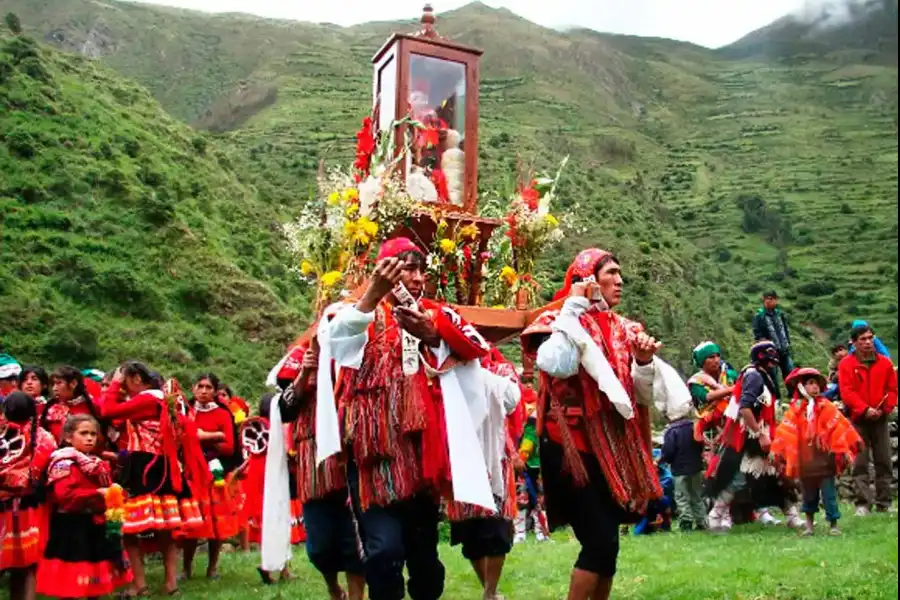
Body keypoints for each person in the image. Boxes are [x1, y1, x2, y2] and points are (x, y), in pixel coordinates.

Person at [323, 237, 493, 600]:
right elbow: (337, 346)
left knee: (424, 559)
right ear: (384, 271)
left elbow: (477, 348)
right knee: (383, 551)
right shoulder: (352, 311)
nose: (417, 277)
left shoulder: (435, 313)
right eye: (407, 268)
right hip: (372, 456)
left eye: (421, 269)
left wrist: (432, 335)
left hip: (422, 455)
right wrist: (372, 294)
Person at [521, 248, 686, 600]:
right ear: (586, 279)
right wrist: (574, 308)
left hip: (613, 449)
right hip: (572, 451)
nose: (620, 280)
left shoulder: (627, 329)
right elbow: (557, 364)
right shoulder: (557, 321)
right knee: (598, 543)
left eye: (619, 273)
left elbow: (638, 395)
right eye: (610, 272)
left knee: (608, 548)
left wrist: (643, 362)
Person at [100, 362, 206, 595]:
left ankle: (140, 584)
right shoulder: (162, 400)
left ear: (136, 378)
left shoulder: (149, 399)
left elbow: (107, 412)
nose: (123, 388)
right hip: (159, 465)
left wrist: (115, 384)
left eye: (125, 381)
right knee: (165, 530)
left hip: (143, 466)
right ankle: (170, 584)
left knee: (129, 530)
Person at [273, 340, 365, 599]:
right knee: (319, 546)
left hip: (348, 452)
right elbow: (286, 409)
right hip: (311, 459)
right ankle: (334, 588)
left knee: (353, 539)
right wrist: (305, 372)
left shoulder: (353, 350)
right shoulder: (302, 356)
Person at [446, 346, 523, 600]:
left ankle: (490, 591)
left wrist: (479, 374)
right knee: (470, 536)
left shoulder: (501, 371)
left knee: (497, 530)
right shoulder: (447, 370)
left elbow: (513, 403)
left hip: (495, 461)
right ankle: (487, 590)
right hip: (458, 459)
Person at [705, 341, 802, 532]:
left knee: (776, 475)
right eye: (770, 356)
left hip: (757, 433)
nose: (774, 362)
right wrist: (760, 434)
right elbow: (745, 407)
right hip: (751, 437)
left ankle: (792, 516)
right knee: (738, 479)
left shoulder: (758, 375)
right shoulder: (755, 376)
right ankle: (714, 517)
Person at [36, 414, 132, 598]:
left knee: (94, 577)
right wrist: (97, 493)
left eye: (93, 434)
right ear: (68, 437)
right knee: (72, 579)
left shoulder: (94, 462)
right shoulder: (63, 462)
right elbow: (64, 496)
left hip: (93, 524)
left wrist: (114, 492)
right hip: (71, 527)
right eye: (83, 433)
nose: (90, 438)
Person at [771, 367, 862, 536]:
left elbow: (839, 426)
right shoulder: (796, 410)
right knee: (808, 496)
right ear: (801, 387)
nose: (815, 387)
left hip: (825, 462)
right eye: (810, 384)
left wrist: (845, 445)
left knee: (829, 495)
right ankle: (809, 525)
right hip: (806, 464)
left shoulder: (826, 406)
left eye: (817, 384)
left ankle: (833, 524)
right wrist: (780, 450)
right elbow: (786, 431)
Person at [179, 373, 241, 581]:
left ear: (215, 391)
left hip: (215, 473)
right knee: (192, 522)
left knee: (216, 523)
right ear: (193, 388)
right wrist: (213, 436)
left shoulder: (223, 414)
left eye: (208, 387)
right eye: (200, 386)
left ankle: (212, 568)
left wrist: (204, 437)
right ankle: (186, 568)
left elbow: (229, 447)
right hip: (191, 472)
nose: (204, 391)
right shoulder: (184, 412)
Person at [239, 392, 303, 584]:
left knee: (266, 520)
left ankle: (274, 566)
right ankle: (277, 568)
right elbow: (289, 451)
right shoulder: (278, 428)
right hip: (274, 473)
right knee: (279, 518)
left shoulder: (256, 426)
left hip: (257, 474)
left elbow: (251, 452)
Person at [0, 392, 57, 600]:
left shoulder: (3, 432)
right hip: (30, 506)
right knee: (29, 562)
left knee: (9, 561)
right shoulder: (43, 438)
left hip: (6, 505)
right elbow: (37, 473)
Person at [839, 324, 898, 515]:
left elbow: (892, 390)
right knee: (860, 462)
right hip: (858, 419)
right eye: (863, 339)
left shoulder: (885, 363)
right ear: (854, 342)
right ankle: (862, 503)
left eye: (870, 338)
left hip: (880, 418)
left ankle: (885, 502)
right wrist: (864, 409)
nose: (867, 342)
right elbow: (847, 391)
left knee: (884, 461)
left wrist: (885, 408)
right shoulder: (846, 364)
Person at [661, 399, 706, 531]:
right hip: (696, 467)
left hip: (679, 469)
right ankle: (702, 521)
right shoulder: (694, 426)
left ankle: (686, 522)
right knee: (696, 495)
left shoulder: (672, 431)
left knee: (681, 497)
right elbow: (701, 444)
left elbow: (668, 451)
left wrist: (663, 460)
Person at [513, 387, 549, 544]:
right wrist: (520, 457)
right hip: (523, 465)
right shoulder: (519, 418)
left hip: (539, 464)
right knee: (522, 499)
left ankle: (542, 532)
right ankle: (520, 533)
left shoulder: (541, 414)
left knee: (540, 500)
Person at [688, 341, 737, 449]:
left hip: (735, 423)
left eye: (718, 356)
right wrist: (733, 389)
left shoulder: (729, 375)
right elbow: (707, 397)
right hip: (711, 429)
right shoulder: (696, 382)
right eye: (711, 357)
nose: (716, 360)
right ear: (702, 361)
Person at [41, 366, 104, 444]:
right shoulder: (51, 408)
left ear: (73, 383)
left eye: (59, 383)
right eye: (53, 384)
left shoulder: (93, 407)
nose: (54, 388)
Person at [752, 291, 793, 395]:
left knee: (789, 373)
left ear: (776, 300)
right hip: (770, 352)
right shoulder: (760, 316)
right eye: (766, 299)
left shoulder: (780, 314)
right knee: (772, 376)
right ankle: (776, 398)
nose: (768, 301)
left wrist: (788, 342)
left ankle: (793, 395)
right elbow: (757, 333)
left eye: (771, 299)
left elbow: (785, 329)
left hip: (784, 349)